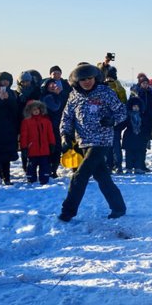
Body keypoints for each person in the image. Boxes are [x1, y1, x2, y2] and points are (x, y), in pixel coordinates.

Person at [58, 64, 128, 221]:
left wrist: (112, 120)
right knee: (102, 176)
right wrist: (65, 135)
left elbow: (122, 112)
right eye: (82, 79)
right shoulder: (74, 96)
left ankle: (67, 212)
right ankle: (119, 207)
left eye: (89, 78)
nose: (87, 82)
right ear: (76, 81)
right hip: (82, 141)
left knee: (80, 176)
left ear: (95, 78)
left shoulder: (105, 92)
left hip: (102, 140)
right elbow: (67, 117)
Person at [20, 100, 56, 185]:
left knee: (44, 165)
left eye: (37, 109)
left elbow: (50, 133)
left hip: (44, 149)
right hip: (32, 149)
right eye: (33, 109)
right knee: (31, 165)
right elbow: (24, 136)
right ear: (29, 111)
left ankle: (44, 178)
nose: (36, 111)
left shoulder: (46, 121)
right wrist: (24, 147)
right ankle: (31, 178)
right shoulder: (26, 122)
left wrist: (52, 144)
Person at [41, 79, 66, 178]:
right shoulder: (47, 97)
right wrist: (57, 95)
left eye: (54, 84)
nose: (53, 86)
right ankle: (49, 169)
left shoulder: (58, 95)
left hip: (58, 125)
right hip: (49, 126)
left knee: (57, 148)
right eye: (50, 84)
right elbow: (55, 107)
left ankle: (53, 170)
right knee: (51, 148)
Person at [122, 89, 149, 173]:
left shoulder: (143, 116)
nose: (135, 108)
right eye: (134, 106)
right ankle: (129, 167)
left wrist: (147, 135)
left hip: (140, 136)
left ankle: (138, 167)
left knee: (139, 153)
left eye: (137, 106)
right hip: (130, 136)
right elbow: (123, 124)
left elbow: (146, 126)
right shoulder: (127, 115)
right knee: (129, 153)